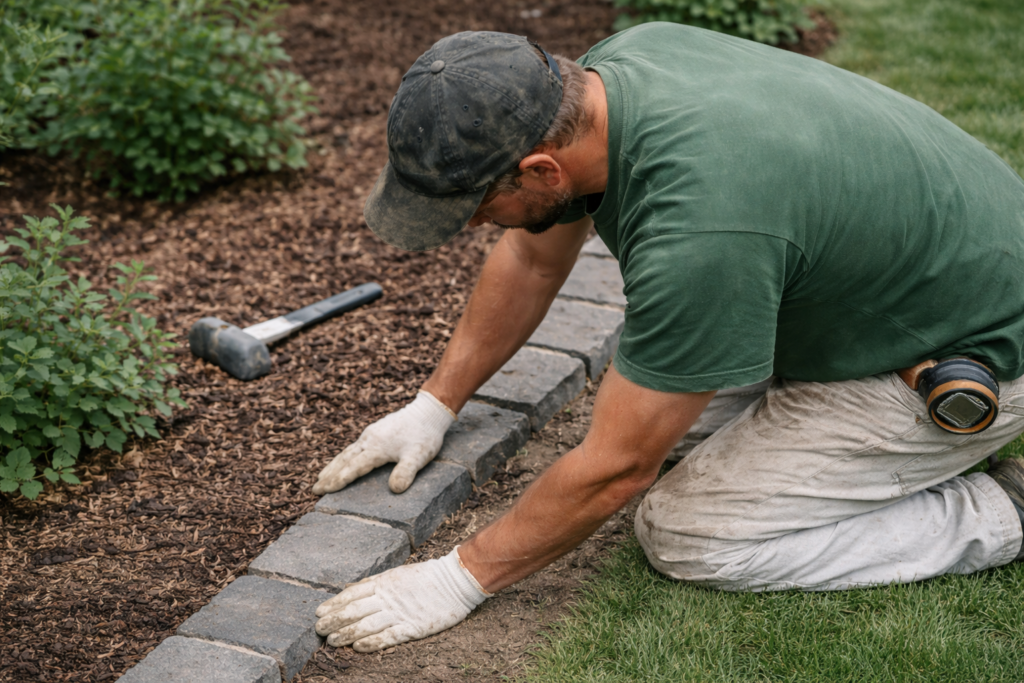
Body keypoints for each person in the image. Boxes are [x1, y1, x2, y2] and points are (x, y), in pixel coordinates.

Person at [309, 25, 1024, 653]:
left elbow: (618, 468)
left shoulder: (702, 229)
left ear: (540, 170)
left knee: (688, 530)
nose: (469, 227)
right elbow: (533, 255)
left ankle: (1002, 511)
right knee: (668, 419)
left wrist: (457, 578)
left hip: (970, 348)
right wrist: (435, 404)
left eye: (474, 206)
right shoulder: (616, 71)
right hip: (888, 288)